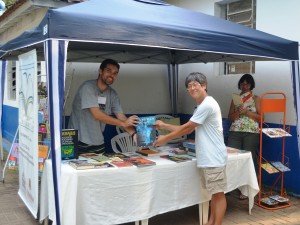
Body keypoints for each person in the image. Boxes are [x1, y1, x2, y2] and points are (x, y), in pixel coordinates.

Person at [154, 72, 227, 225]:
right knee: (214, 194)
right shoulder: (201, 106)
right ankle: (211, 222)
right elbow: (188, 128)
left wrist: (164, 138)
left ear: (204, 85)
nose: (192, 88)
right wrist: (164, 125)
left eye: (195, 84)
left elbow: (186, 129)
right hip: (209, 158)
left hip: (213, 157)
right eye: (189, 86)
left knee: (218, 195)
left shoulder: (207, 104)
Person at [68, 59, 139, 154]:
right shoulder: (88, 87)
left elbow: (121, 117)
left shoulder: (113, 94)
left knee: (99, 168)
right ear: (100, 71)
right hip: (79, 141)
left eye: (115, 73)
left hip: (98, 142)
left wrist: (133, 134)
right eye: (108, 70)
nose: (111, 75)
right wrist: (124, 123)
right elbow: (97, 115)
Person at [227, 73, 261, 200]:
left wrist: (247, 112)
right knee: (231, 158)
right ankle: (230, 187)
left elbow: (262, 117)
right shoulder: (235, 98)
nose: (244, 86)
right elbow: (230, 117)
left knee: (249, 159)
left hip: (251, 132)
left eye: (247, 83)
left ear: (251, 85)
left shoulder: (256, 98)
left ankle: (247, 190)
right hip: (235, 131)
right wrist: (238, 112)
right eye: (242, 83)